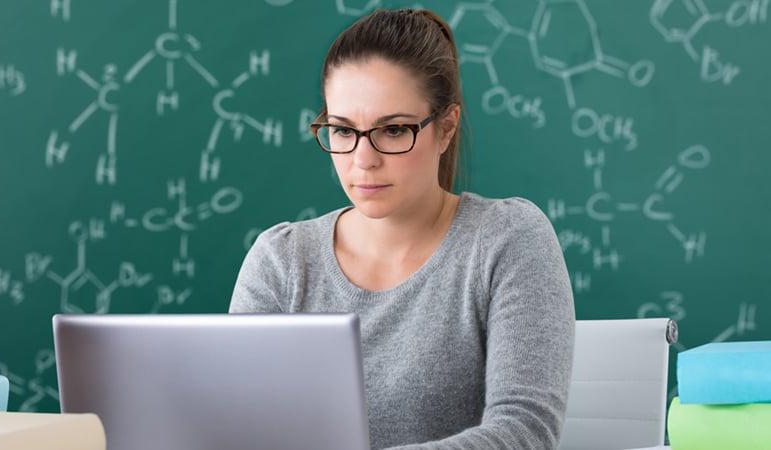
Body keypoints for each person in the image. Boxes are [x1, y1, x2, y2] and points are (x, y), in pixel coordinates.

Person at [229, 8, 574, 450]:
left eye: (392, 130)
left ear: (445, 128)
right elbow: (235, 425)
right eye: (342, 130)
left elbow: (526, 432)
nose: (363, 160)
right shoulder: (281, 260)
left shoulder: (507, 239)